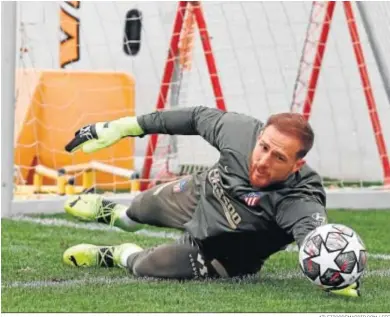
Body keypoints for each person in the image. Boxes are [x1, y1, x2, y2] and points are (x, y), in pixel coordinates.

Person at [62, 106, 359, 297]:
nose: (263, 160)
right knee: (137, 211)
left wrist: (335, 273)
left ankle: (117, 254)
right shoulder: (238, 130)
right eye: (263, 147)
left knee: (148, 266)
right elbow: (192, 118)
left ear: (296, 166)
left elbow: (314, 238)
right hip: (199, 194)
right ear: (258, 136)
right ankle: (117, 215)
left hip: (223, 254)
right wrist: (123, 127)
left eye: (278, 157)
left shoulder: (301, 198)